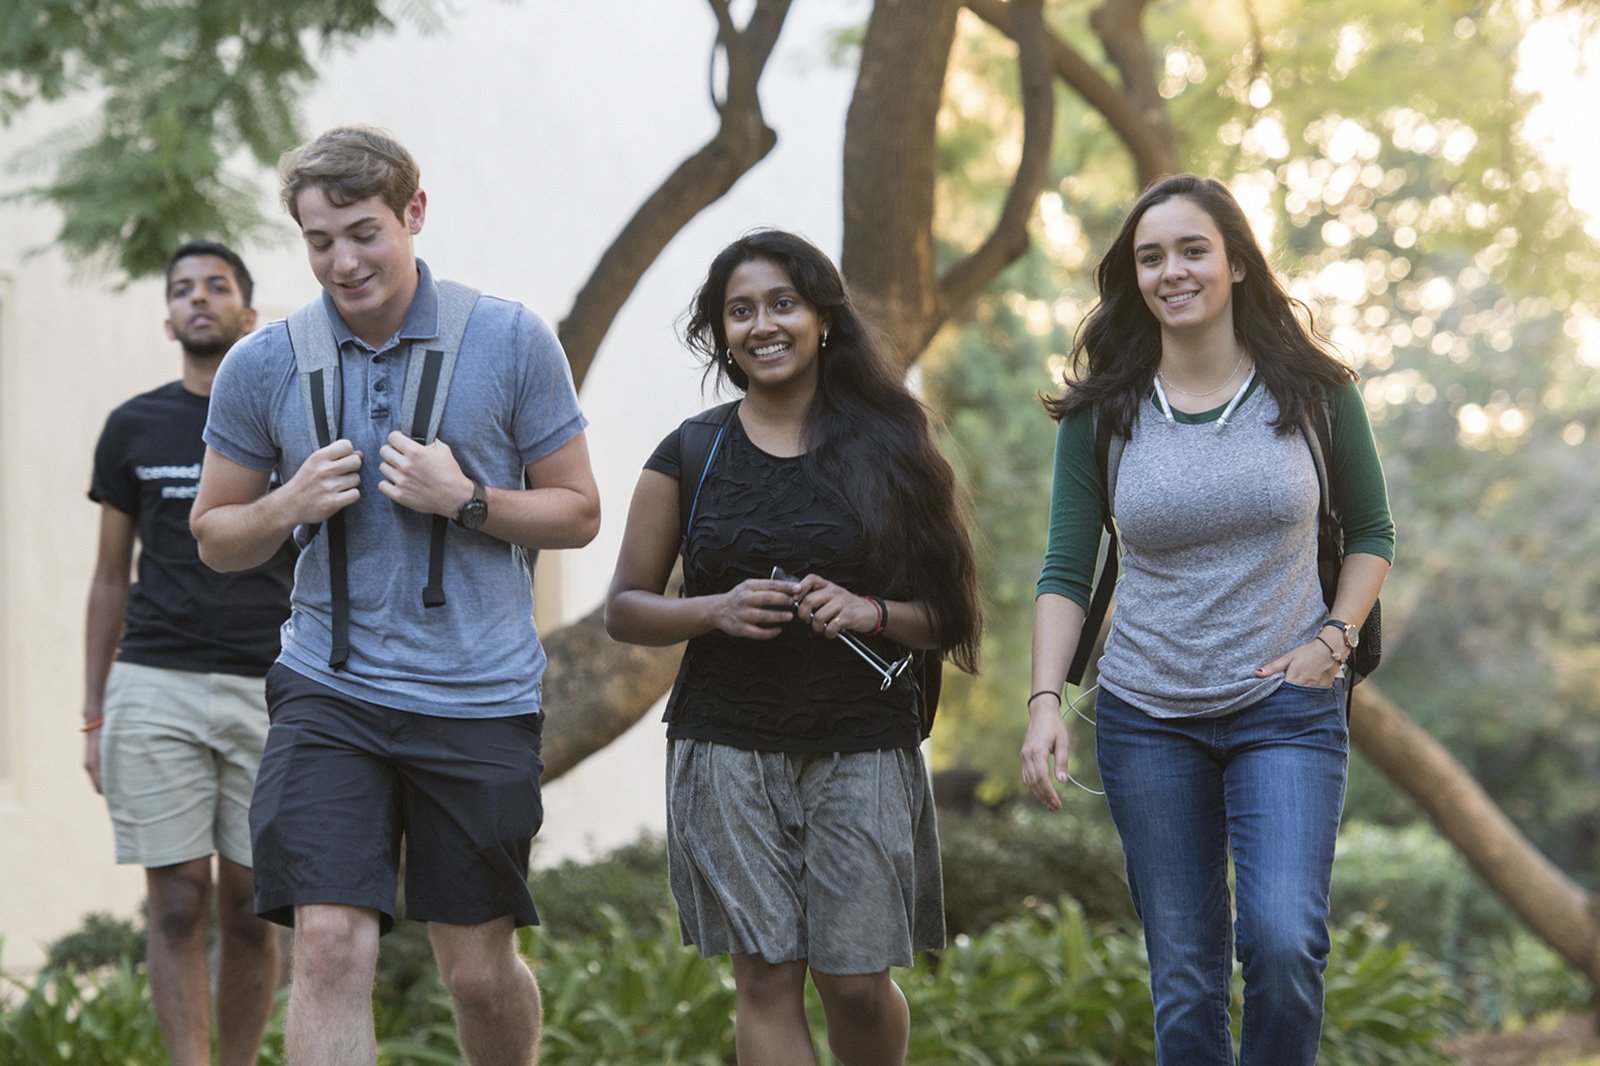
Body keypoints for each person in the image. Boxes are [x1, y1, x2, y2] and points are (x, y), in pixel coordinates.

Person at [191, 125, 601, 1066]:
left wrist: (469, 500)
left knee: (475, 969)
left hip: (479, 697)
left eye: (363, 232)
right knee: (328, 946)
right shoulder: (265, 363)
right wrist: (288, 503)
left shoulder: (509, 338)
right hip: (328, 694)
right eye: (318, 240)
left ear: (413, 214)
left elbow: (579, 513)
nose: (342, 261)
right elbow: (215, 536)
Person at [1020, 174, 1394, 1064]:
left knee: (1281, 942)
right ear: (1132, 278)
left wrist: (1333, 640)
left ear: (1234, 263)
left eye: (1192, 250)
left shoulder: (1313, 391)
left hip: (1286, 707)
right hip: (1147, 717)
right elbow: (1067, 569)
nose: (1172, 271)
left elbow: (1372, 532)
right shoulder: (1102, 414)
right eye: (1151, 257)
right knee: (1185, 980)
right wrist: (1043, 702)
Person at [605, 229, 981, 1066]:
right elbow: (624, 610)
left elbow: (948, 615)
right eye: (740, 311)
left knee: (853, 980)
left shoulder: (893, 444)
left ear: (822, 320)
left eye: (782, 303)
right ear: (722, 332)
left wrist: (869, 611)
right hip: (725, 744)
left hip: (863, 746)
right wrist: (715, 610)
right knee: (767, 976)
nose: (762, 325)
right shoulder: (691, 452)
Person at [83, 240, 291, 1066]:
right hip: (154, 681)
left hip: (269, 687)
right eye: (182, 289)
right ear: (166, 316)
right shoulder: (132, 426)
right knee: (174, 903)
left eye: (217, 286)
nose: (198, 299)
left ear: (248, 312)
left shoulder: (288, 421)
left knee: (249, 905)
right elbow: (107, 580)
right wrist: (93, 712)